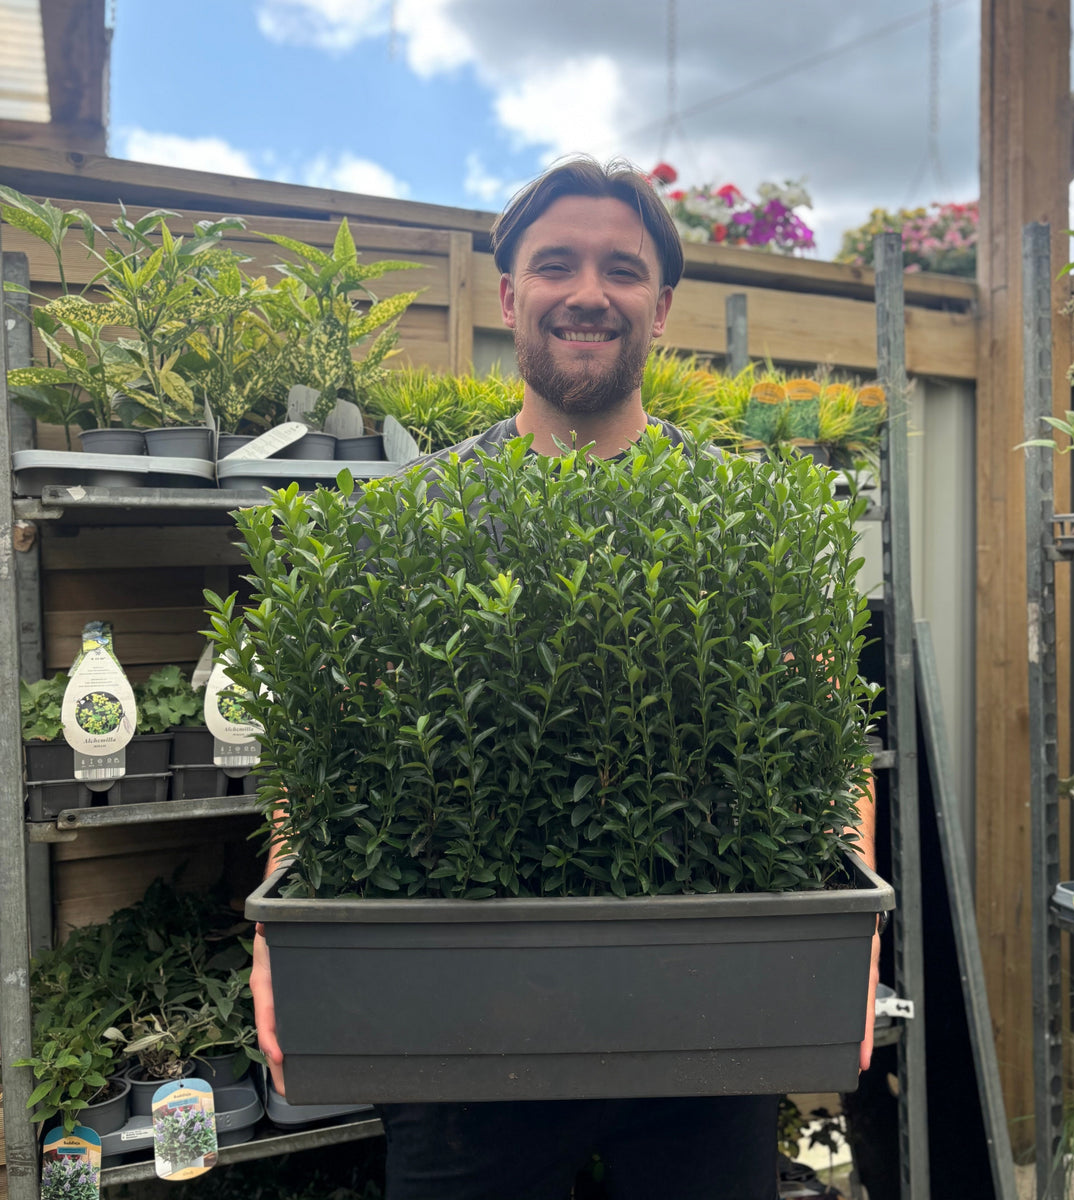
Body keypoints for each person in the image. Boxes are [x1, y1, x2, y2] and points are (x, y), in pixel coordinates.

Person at [250, 155, 879, 1200]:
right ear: (509, 295)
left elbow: (824, 740)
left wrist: (853, 940)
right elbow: (328, 750)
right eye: (556, 265)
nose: (589, 292)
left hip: (703, 1025)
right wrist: (280, 932)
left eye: (621, 269)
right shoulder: (414, 519)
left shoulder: (743, 520)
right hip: (460, 1031)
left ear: (661, 306)